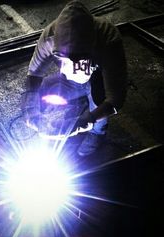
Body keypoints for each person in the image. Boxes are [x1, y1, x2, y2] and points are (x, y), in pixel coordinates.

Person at [24, 0, 127, 156]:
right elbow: (33, 75)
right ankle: (71, 108)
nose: (72, 62)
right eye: (65, 57)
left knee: (99, 98)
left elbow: (116, 99)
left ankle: (97, 133)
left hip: (96, 80)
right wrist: (30, 109)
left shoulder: (108, 39)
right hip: (69, 80)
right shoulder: (49, 38)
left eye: (78, 57)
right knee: (45, 88)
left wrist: (86, 121)